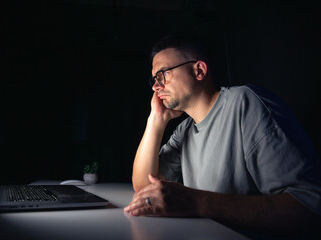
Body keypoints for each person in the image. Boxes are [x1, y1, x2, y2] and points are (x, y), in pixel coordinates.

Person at [124, 34, 321, 236]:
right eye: (154, 79)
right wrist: (156, 120)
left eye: (163, 74)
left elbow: (309, 205)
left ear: (199, 70)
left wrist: (196, 202)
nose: (156, 87)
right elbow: (144, 186)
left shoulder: (246, 103)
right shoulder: (185, 130)